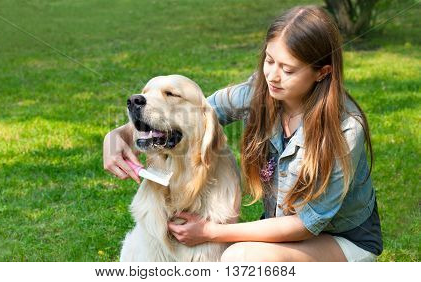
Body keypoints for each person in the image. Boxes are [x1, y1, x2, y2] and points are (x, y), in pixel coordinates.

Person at [103, 5, 383, 262]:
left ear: (322, 73)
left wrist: (210, 232)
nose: (273, 76)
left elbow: (307, 224)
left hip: (341, 240)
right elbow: (195, 114)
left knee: (240, 259)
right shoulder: (260, 93)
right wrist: (119, 136)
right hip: (284, 232)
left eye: (287, 69)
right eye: (269, 60)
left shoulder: (345, 129)